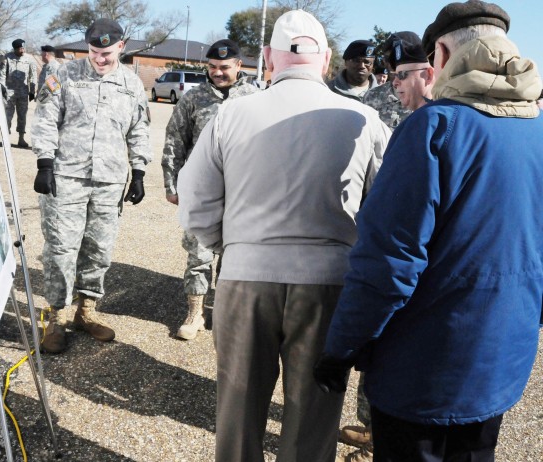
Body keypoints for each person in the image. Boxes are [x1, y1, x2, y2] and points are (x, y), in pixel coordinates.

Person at [315, 1, 543, 461]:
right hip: (502, 360)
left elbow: (389, 261)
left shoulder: (434, 128)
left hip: (423, 372)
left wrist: (342, 349)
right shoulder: (537, 130)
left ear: (440, 52)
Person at [178, 10, 390, 461]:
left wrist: (232, 247)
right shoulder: (364, 119)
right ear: (328, 59)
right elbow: (389, 207)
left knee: (238, 408)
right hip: (329, 281)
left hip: (245, 277)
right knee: (315, 414)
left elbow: (194, 199)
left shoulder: (232, 113)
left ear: (269, 59)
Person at [31, 18, 151, 354]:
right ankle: (55, 317)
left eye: (107, 52)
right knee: (61, 249)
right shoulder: (64, 75)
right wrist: (44, 163)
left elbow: (138, 129)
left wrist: (139, 170)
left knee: (99, 249)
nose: (99, 58)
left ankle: (86, 311)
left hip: (110, 180)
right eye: (94, 51)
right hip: (66, 177)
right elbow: (45, 120)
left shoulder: (131, 84)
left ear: (121, 47)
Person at [342, 30, 435, 462]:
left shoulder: (448, 113)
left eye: (402, 73)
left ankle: (389, 434)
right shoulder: (375, 102)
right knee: (375, 334)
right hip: (378, 231)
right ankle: (371, 423)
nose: (394, 82)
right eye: (389, 73)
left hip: (421, 246)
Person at [161, 38, 258, 341]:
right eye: (213, 67)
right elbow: (175, 141)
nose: (217, 72)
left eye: (225, 67)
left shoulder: (255, 98)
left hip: (243, 192)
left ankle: (228, 313)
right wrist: (171, 184)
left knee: (237, 256)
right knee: (199, 253)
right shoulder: (193, 98)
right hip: (202, 191)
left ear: (239, 66)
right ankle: (195, 313)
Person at [0, 38, 37, 148]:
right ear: (15, 48)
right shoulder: (7, 57)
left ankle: (21, 138)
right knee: (8, 116)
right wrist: (3, 87)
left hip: (23, 93)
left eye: (23, 48)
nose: (22, 50)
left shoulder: (29, 59)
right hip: (9, 92)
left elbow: (33, 75)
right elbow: (2, 74)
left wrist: (32, 91)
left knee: (22, 116)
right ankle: (6, 138)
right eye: (20, 48)